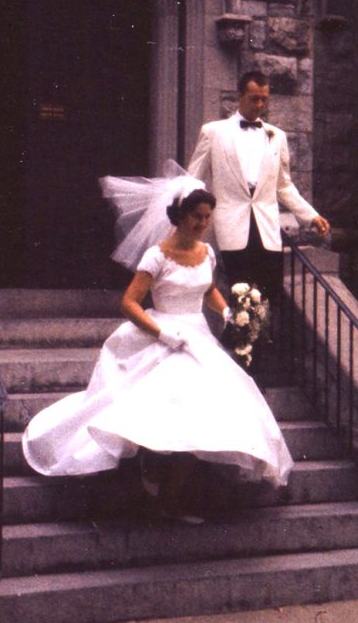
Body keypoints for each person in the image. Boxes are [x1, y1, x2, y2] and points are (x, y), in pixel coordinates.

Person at [22, 183, 293, 523]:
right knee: (159, 407)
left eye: (207, 217)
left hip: (198, 337)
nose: (202, 224)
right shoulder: (157, 255)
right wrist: (162, 333)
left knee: (205, 413)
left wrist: (226, 312)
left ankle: (169, 496)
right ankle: (151, 477)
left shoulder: (207, 253)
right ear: (179, 216)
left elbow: (207, 288)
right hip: (162, 333)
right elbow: (129, 302)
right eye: (196, 217)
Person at [187, 69, 330, 313]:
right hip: (231, 227)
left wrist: (310, 216)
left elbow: (284, 185)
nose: (260, 104)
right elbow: (193, 180)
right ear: (240, 96)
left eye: (264, 99)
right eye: (254, 98)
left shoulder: (277, 136)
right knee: (239, 300)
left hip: (267, 230)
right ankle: (241, 351)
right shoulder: (213, 132)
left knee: (267, 301)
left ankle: (259, 350)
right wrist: (189, 219)